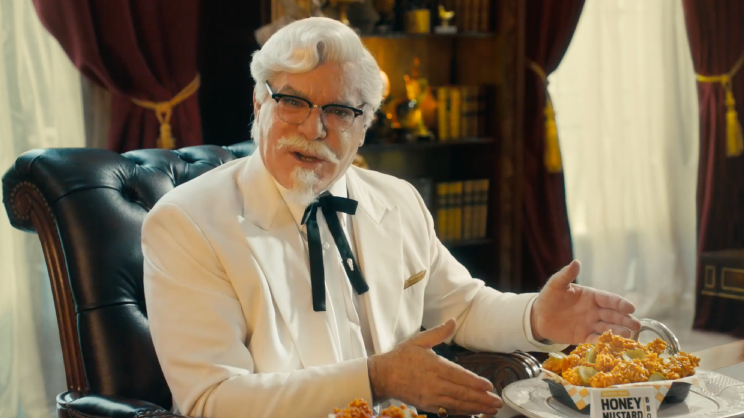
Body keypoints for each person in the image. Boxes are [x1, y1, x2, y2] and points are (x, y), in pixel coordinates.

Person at [142, 16, 641, 418]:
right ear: (259, 104)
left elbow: (463, 307)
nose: (314, 128)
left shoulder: (397, 200)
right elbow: (212, 402)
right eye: (292, 102)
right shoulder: (187, 223)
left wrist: (537, 316)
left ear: (365, 127)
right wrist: (376, 378)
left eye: (339, 111)